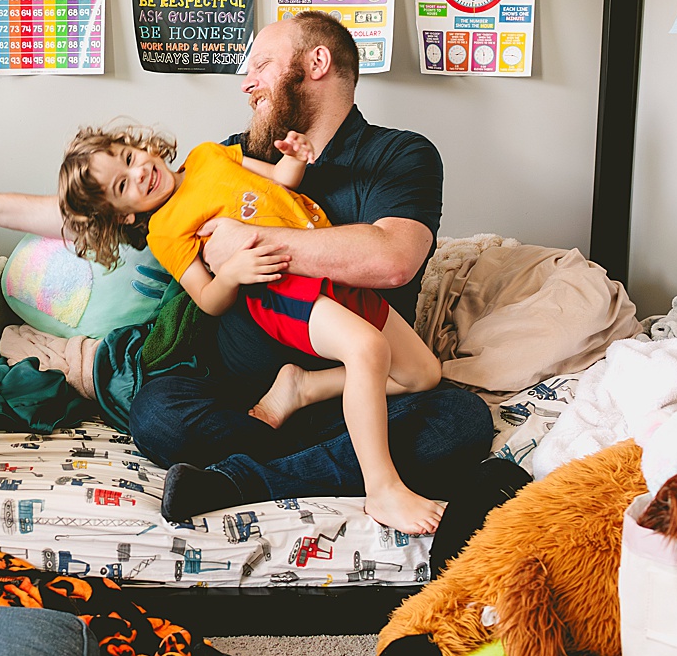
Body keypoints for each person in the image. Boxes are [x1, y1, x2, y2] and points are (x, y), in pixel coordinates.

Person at [0, 11, 490, 521]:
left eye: (263, 65)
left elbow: (392, 260)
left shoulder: (399, 154)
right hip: (242, 395)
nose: (248, 83)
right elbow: (108, 212)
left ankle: (245, 480)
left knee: (459, 421)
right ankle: (349, 463)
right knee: (158, 414)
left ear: (316, 64)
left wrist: (251, 240)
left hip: (356, 379)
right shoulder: (231, 156)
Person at [57, 122, 444, 533]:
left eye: (130, 160)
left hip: (328, 259)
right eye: (122, 187)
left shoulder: (209, 152)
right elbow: (207, 298)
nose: (138, 174)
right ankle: (381, 488)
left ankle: (306, 387)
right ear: (126, 214)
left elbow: (280, 179)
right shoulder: (164, 229)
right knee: (368, 349)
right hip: (278, 285)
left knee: (423, 374)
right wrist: (232, 273)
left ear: (138, 146)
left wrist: (294, 156)